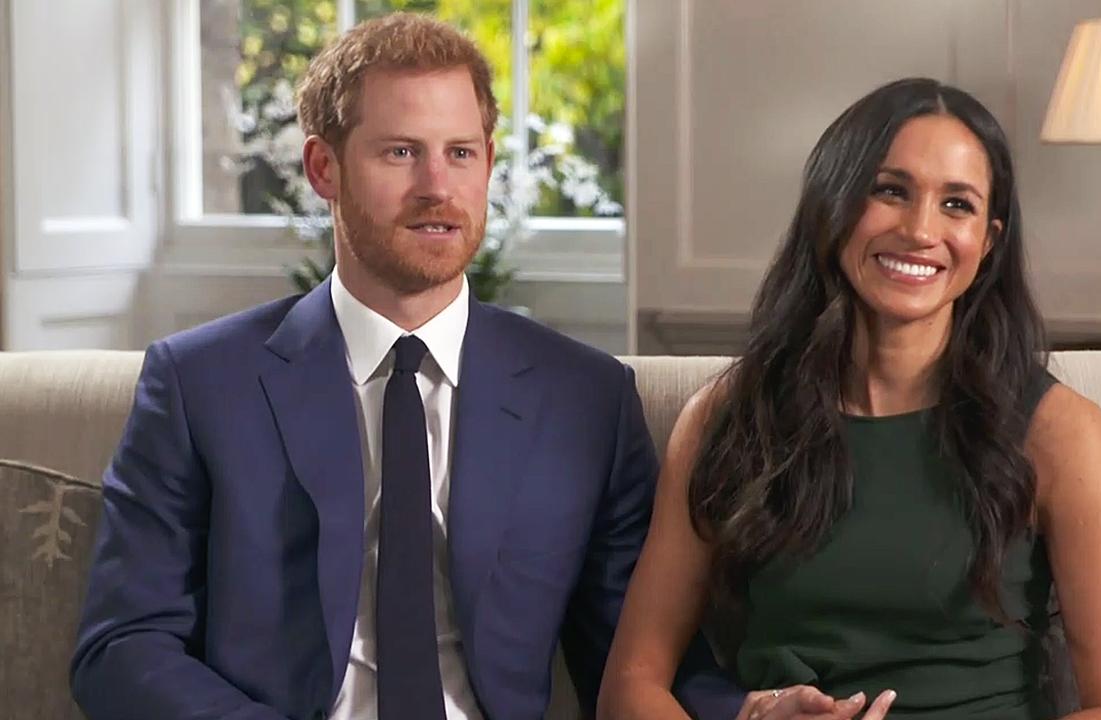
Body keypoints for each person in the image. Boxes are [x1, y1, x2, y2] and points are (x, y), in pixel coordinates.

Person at [70, 13, 740, 720]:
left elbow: (638, 655)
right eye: (399, 153)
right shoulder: (199, 385)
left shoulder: (585, 399)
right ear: (324, 168)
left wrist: (751, 712)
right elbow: (122, 646)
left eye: (461, 153)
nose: (436, 187)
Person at [598, 78, 1101, 720]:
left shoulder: (1063, 434)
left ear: (989, 240)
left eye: (957, 205)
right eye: (890, 191)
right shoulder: (726, 419)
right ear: (832, 206)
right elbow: (632, 685)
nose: (921, 230)